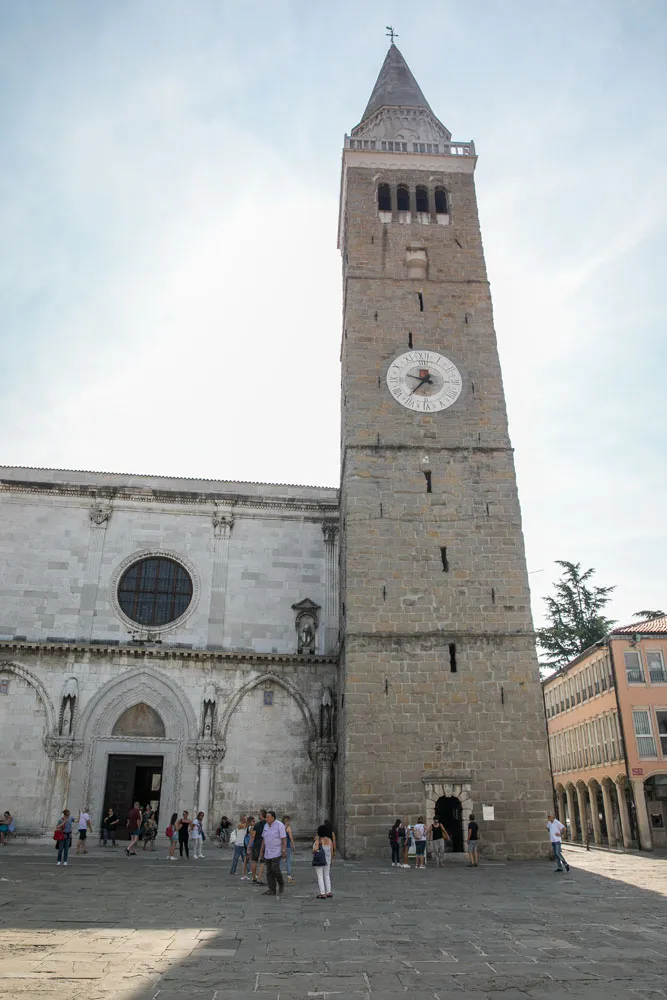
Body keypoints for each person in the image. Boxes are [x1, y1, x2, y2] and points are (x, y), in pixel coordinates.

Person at [259, 810, 286, 896]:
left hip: (277, 850)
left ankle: (281, 882)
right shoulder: (266, 826)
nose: (266, 819)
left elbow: (284, 838)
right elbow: (263, 839)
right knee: (269, 871)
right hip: (267, 851)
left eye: (268, 817)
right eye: (266, 817)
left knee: (275, 868)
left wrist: (284, 850)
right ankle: (272, 889)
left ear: (273, 818)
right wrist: (261, 851)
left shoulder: (279, 825)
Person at [313, 824, 334, 899]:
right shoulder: (329, 840)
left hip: (319, 861)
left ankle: (322, 893)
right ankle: (328, 892)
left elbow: (315, 850)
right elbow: (331, 851)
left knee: (320, 876)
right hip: (327, 860)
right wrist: (331, 860)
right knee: (327, 875)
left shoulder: (318, 840)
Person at [249, 810, 267, 885]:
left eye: (259, 814)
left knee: (254, 860)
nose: (258, 816)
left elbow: (252, 836)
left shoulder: (256, 825)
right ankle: (259, 878)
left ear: (263, 815)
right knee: (262, 861)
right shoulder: (268, 824)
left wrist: (249, 846)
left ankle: (254, 878)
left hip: (256, 844)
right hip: (264, 844)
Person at [240, 815, 254, 880]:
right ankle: (248, 874)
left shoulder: (247, 826)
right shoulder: (251, 827)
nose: (254, 822)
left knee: (246, 860)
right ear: (250, 821)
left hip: (246, 844)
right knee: (250, 859)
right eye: (253, 821)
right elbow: (252, 836)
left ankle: (244, 874)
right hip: (248, 845)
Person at [282, 815, 295, 881]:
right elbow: (291, 838)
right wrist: (293, 846)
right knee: (288, 861)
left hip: (281, 846)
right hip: (287, 847)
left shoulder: (280, 827)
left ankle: (279, 875)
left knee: (280, 861)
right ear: (287, 821)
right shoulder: (288, 828)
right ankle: (289, 875)